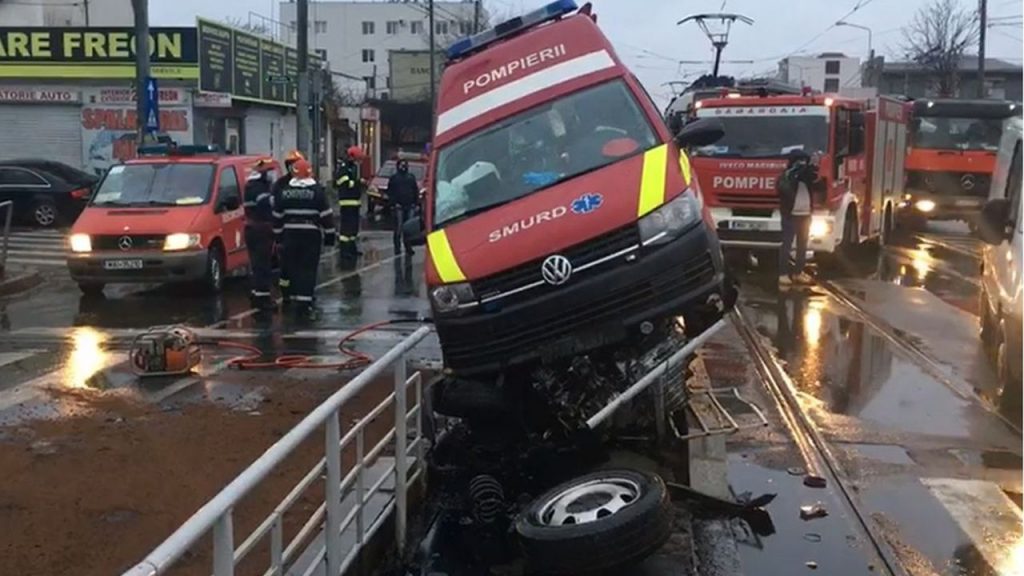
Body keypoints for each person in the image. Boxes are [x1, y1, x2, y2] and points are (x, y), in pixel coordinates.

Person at [272, 159, 335, 319]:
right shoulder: (317, 191)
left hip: (289, 234)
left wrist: (278, 237)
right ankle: (304, 304)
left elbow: (277, 217)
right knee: (307, 269)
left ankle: (291, 297)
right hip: (310, 235)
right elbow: (326, 216)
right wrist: (329, 236)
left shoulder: (284, 191)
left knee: (292, 267)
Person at [776, 150, 820, 286]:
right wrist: (795, 173)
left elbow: (818, 184)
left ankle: (798, 272)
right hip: (791, 215)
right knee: (787, 244)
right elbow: (783, 190)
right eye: (799, 161)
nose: (802, 163)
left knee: (802, 245)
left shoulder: (807, 176)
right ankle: (783, 274)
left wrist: (813, 168)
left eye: (804, 161)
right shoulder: (787, 175)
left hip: (805, 214)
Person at [243, 158, 277, 311]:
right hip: (259, 230)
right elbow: (265, 204)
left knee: (258, 264)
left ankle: (257, 294)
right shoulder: (256, 188)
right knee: (262, 265)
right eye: (269, 173)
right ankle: (263, 299)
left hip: (255, 229)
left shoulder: (252, 186)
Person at [273, 150, 306, 304]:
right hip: (286, 233)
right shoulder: (280, 184)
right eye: (292, 165)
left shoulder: (308, 182)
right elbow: (276, 210)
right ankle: (287, 294)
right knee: (286, 266)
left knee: (303, 265)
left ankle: (301, 294)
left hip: (303, 233)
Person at [335, 146, 365, 260]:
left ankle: (352, 249)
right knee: (346, 228)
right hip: (347, 202)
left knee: (353, 228)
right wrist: (358, 183)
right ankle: (344, 251)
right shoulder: (344, 167)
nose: (358, 161)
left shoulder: (353, 167)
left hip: (354, 202)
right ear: (351, 156)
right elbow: (343, 182)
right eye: (357, 158)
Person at [386, 158, 420, 255]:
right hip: (399, 206)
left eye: (405, 165)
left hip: (410, 206)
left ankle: (408, 247)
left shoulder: (410, 177)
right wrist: (393, 203)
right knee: (398, 227)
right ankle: (397, 248)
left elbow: (415, 190)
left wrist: (416, 203)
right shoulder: (394, 178)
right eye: (402, 165)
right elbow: (390, 192)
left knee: (408, 228)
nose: (403, 167)